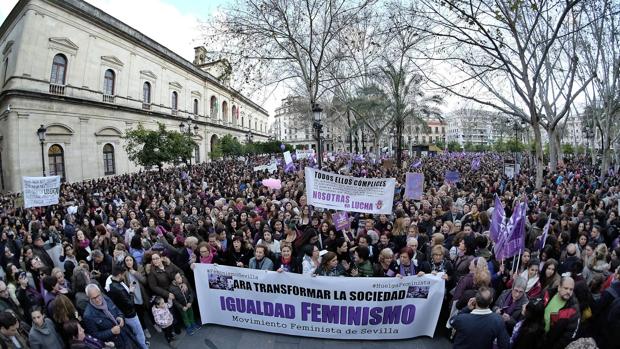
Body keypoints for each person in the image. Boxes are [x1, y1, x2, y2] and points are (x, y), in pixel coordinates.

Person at [105, 265, 148, 349]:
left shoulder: (111, 284)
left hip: (123, 314)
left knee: (134, 333)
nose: (124, 276)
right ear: (119, 275)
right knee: (139, 333)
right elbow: (130, 304)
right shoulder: (119, 289)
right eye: (123, 274)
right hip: (130, 315)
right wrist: (131, 292)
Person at [82, 284, 136, 349]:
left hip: (125, 334)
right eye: (93, 298)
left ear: (100, 292)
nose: (97, 300)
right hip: (115, 343)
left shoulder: (106, 298)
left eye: (98, 296)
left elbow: (117, 310)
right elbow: (95, 335)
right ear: (88, 297)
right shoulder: (88, 315)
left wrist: (121, 317)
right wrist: (111, 332)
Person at [543, 276, 580, 349]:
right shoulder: (549, 293)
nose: (568, 291)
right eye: (565, 288)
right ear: (559, 287)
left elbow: (569, 336)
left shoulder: (574, 310)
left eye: (571, 289)